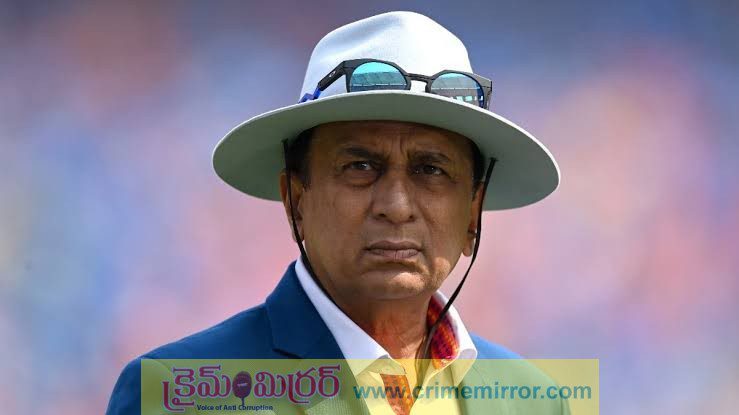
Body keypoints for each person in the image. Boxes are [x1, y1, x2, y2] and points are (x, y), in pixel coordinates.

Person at [106, 11, 566, 415]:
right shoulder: (176, 394)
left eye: (431, 170)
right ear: (296, 200)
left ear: (473, 214)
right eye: (360, 167)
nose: (396, 207)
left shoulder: (535, 401)